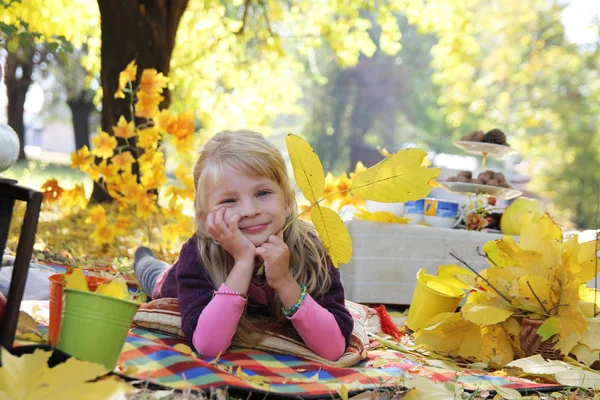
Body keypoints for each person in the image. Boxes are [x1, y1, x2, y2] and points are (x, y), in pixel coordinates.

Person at [134, 130, 353, 361]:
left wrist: (284, 281)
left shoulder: (312, 250)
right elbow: (209, 347)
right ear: (204, 218)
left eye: (263, 193)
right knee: (155, 277)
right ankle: (145, 260)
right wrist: (243, 260)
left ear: (288, 202)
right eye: (229, 200)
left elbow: (333, 349)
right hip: (173, 279)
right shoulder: (198, 254)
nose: (250, 210)